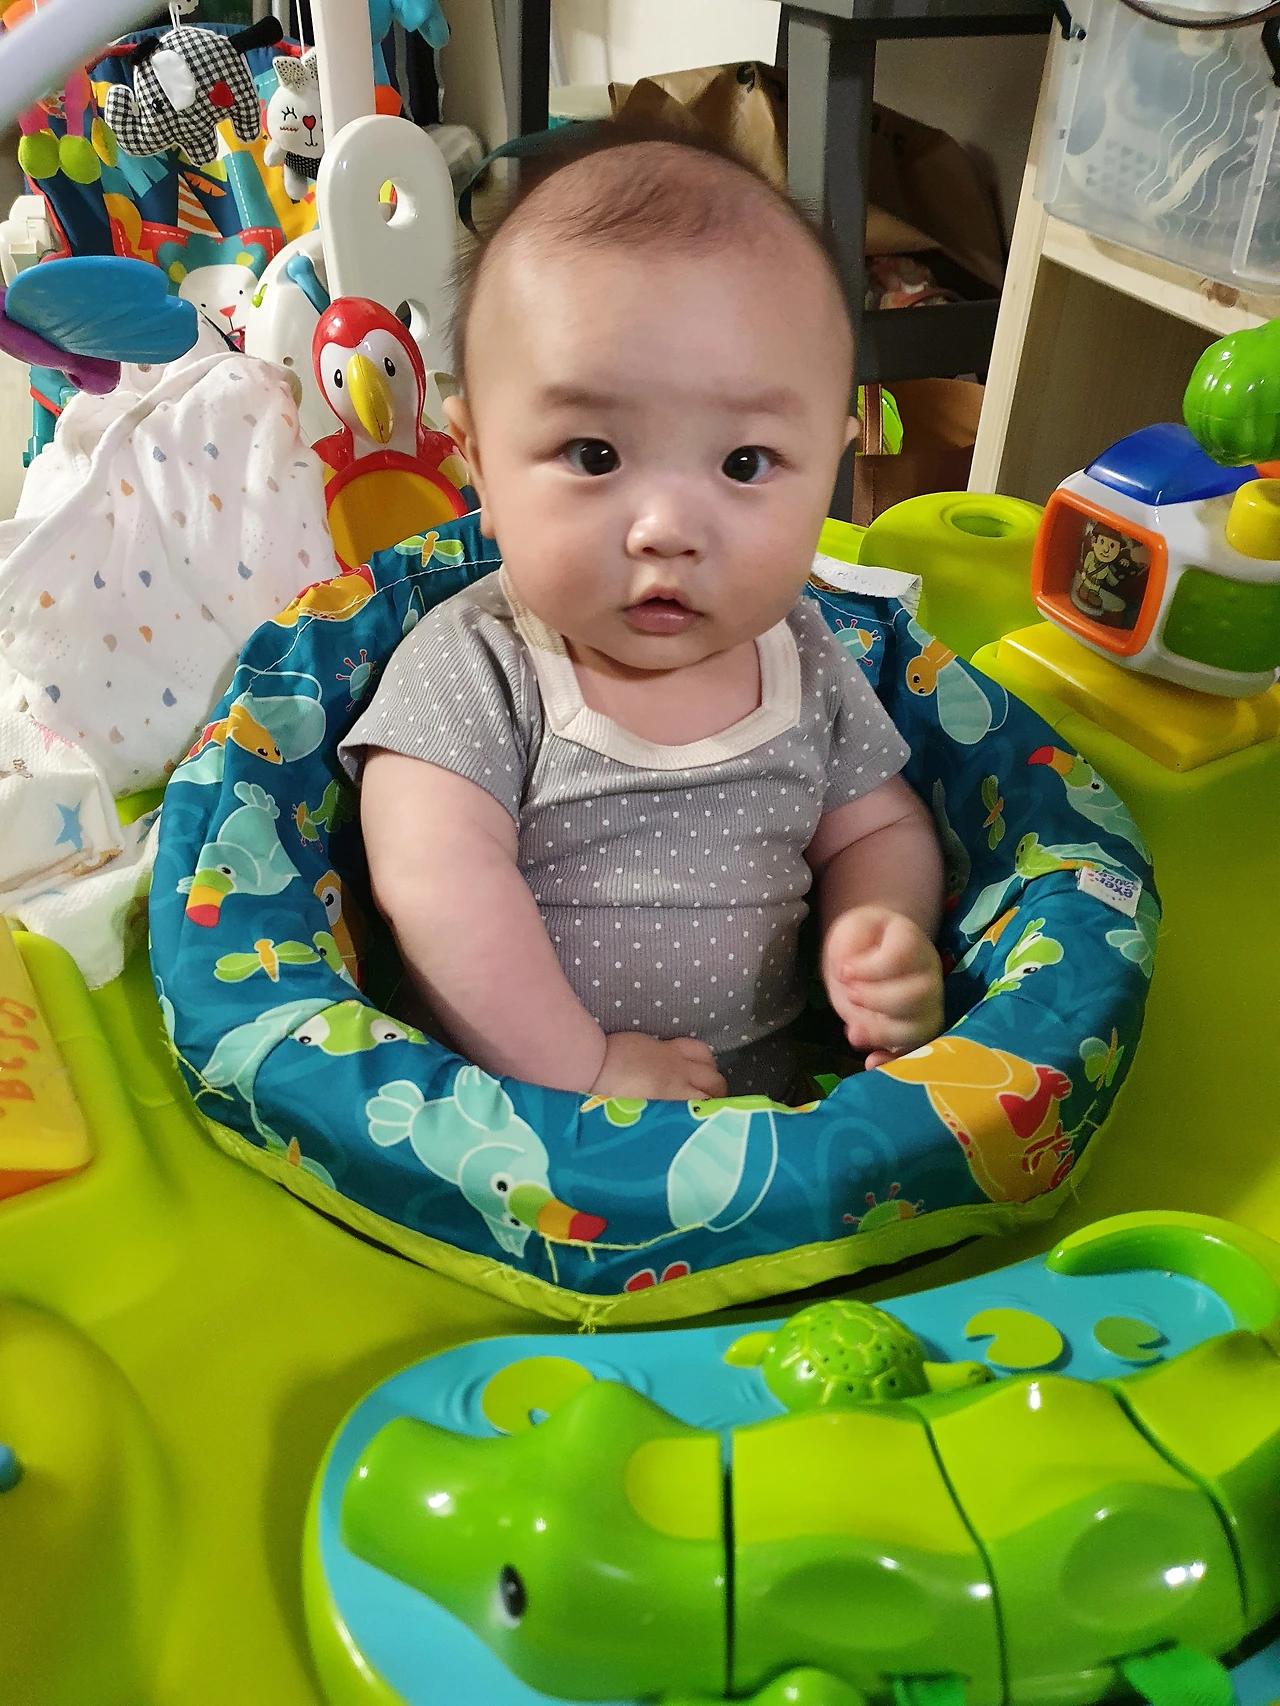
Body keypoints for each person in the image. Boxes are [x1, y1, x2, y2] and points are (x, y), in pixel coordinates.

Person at [339, 129, 946, 1103]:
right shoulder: (476, 666)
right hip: (533, 1137)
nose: (666, 529)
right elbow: (435, 888)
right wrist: (584, 1068)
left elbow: (876, 830)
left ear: (829, 471)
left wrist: (880, 931)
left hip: (775, 1131)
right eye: (594, 455)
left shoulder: (808, 653)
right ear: (478, 462)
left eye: (745, 463)